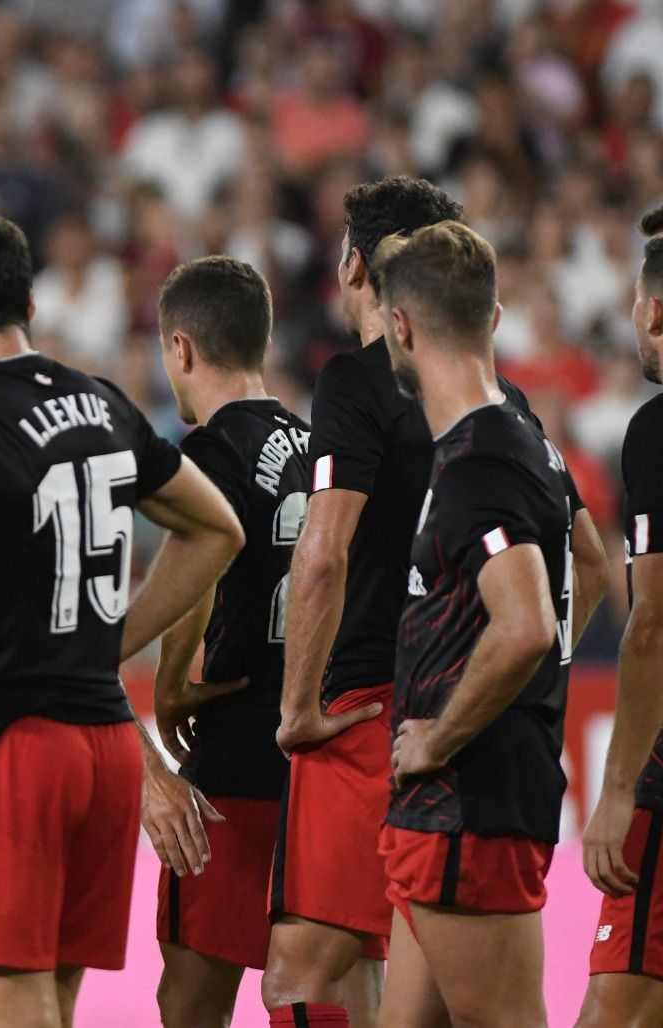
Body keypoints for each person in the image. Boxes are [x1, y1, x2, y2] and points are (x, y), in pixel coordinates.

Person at [0, 210, 245, 1028]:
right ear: (30, 305)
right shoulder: (101, 402)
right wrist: (112, 641)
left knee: (7, 1004)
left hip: (13, 743)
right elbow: (216, 529)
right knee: (51, 1003)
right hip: (107, 752)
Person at [265, 177, 607, 1028]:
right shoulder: (509, 410)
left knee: (304, 972)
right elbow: (591, 564)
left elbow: (324, 552)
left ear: (357, 267)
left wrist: (300, 705)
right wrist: (516, 684)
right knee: (405, 995)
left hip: (375, 716)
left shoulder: (364, 385)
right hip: (456, 721)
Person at [372, 221, 575, 1026]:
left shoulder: (479, 462)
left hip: (468, 800)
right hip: (452, 804)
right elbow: (588, 569)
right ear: (492, 317)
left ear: (401, 327)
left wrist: (440, 736)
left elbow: (525, 626)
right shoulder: (522, 439)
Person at [150, 257, 309, 1027]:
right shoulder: (318, 445)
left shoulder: (214, 450)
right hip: (314, 756)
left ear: (181, 348)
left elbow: (200, 565)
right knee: (317, 981)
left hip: (236, 752)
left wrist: (169, 685)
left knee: (191, 1000)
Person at [578, 206, 663, 1027]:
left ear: (655, 311)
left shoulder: (656, 431)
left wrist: (618, 790)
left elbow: (654, 625)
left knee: (618, 1005)